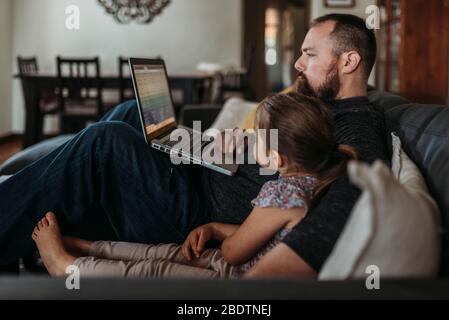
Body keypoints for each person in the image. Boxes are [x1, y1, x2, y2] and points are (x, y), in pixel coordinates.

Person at [0, 13, 388, 278]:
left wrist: (230, 230)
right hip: (205, 173)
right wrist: (247, 144)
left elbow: (342, 193)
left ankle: (21, 208)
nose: (299, 64)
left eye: (310, 53)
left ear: (349, 60)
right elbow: (299, 154)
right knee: (130, 112)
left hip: (193, 209)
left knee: (105, 142)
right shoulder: (326, 107)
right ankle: (39, 202)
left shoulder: (359, 127)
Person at [30, 92, 357, 279]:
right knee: (132, 113)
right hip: (223, 235)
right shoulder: (307, 183)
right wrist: (216, 225)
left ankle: (68, 267)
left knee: (155, 268)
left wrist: (217, 230)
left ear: (276, 157)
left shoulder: (280, 194)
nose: (252, 139)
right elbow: (265, 232)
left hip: (229, 272)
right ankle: (87, 244)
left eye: (257, 136)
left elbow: (233, 251)